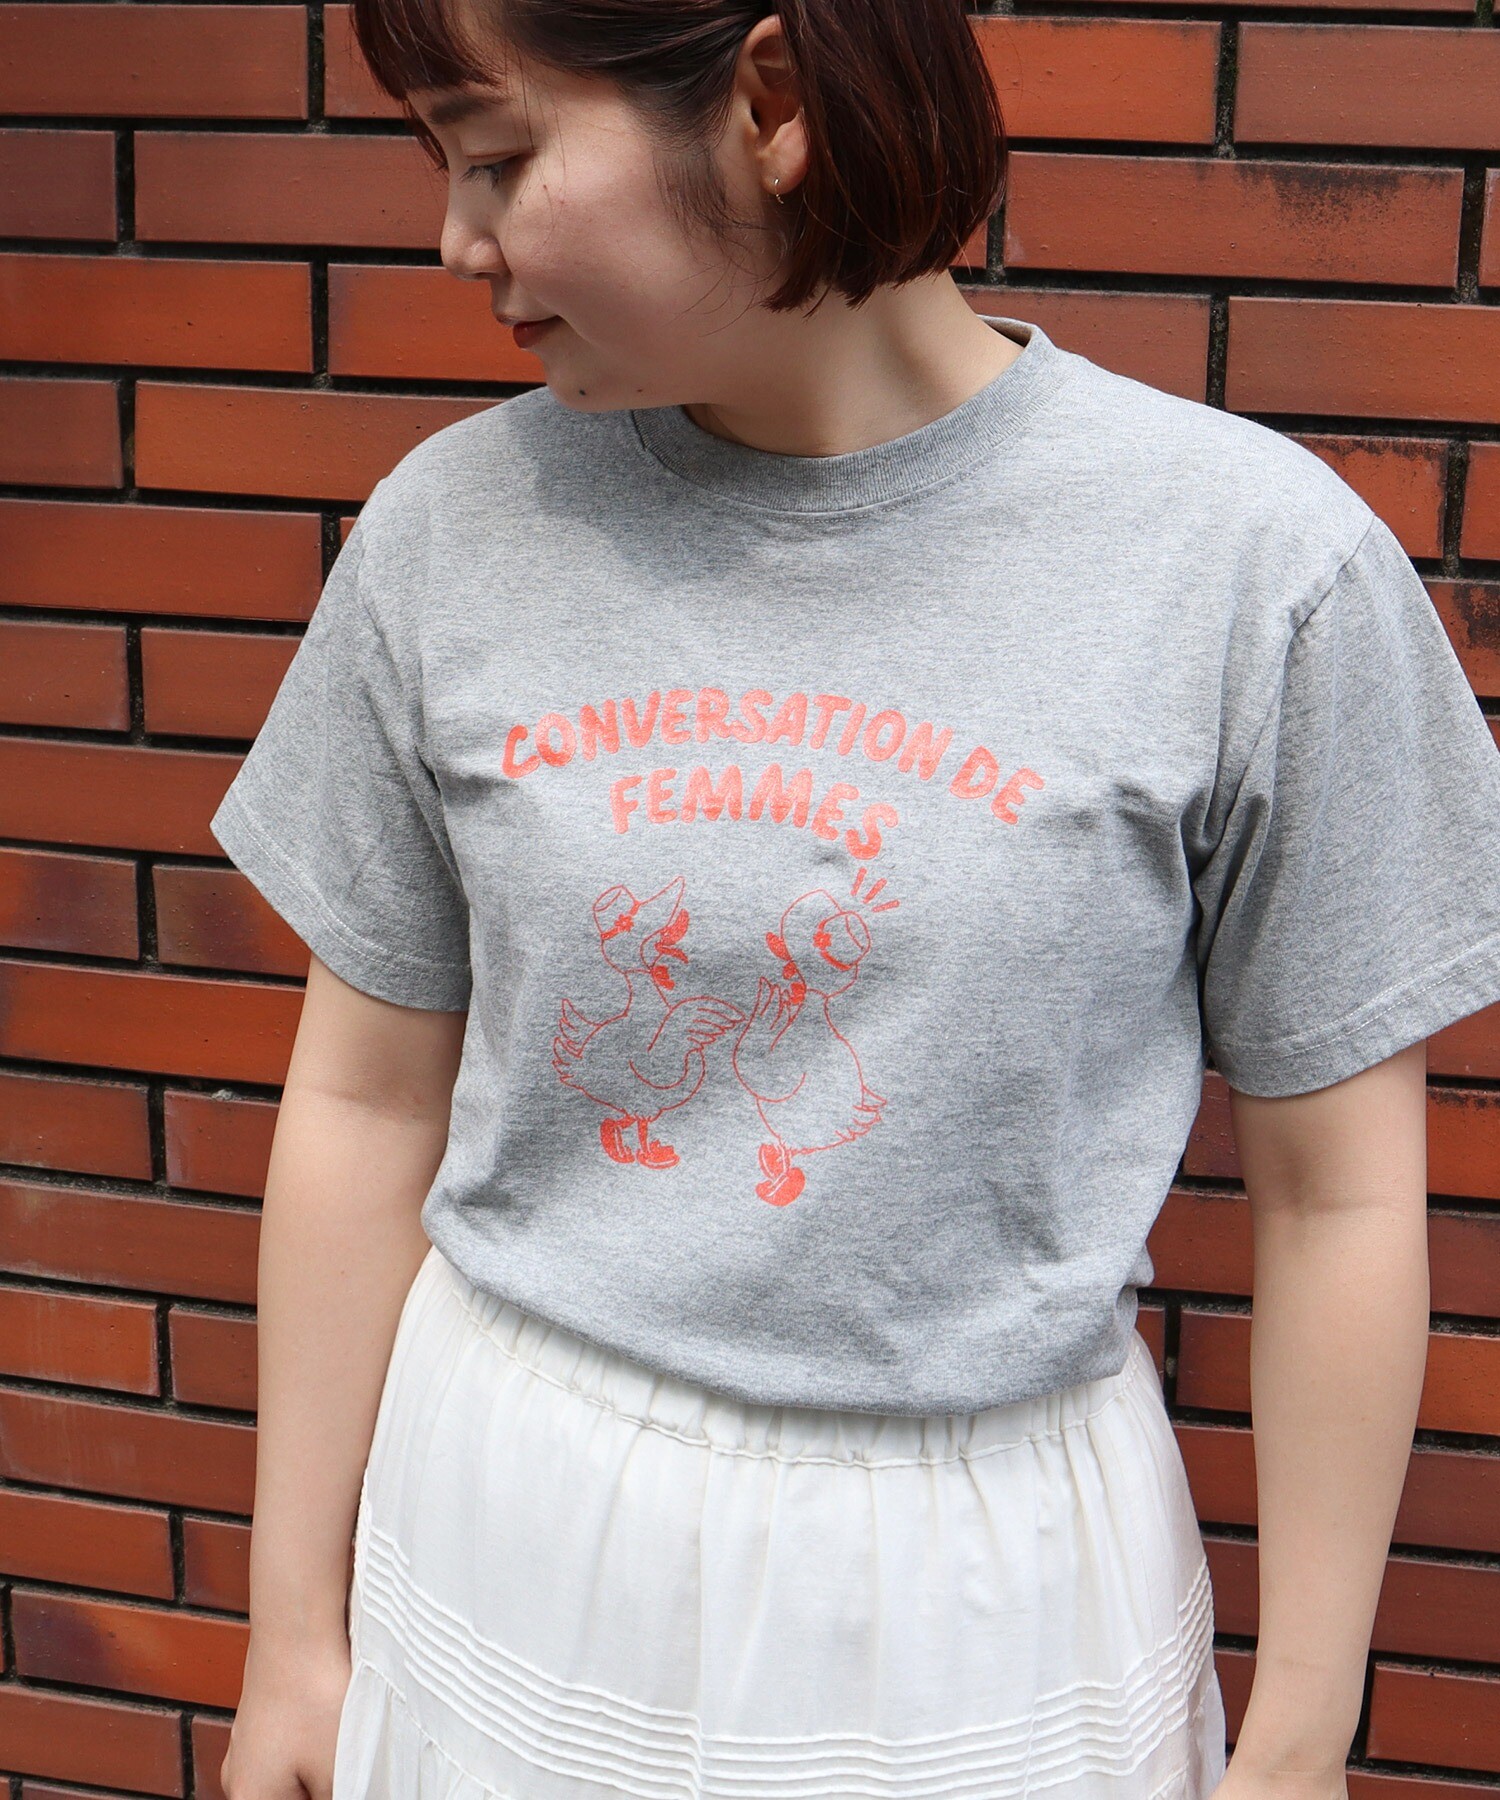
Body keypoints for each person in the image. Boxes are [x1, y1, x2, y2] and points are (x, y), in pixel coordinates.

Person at [212, 0, 1500, 1795]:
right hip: (504, 1511)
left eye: (498, 155)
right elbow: (363, 1098)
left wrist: (1299, 1736)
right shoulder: (454, 529)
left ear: (773, 100)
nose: (458, 238)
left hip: (982, 1587)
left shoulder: (1252, 567)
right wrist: (291, 1635)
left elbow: (1336, 1195)